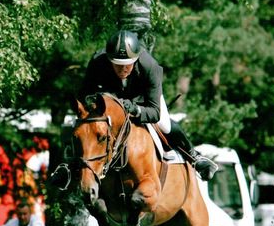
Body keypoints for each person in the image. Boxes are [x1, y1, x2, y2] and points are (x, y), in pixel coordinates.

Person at [79, 29, 217, 180]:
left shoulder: (150, 67)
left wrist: (136, 109)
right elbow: (84, 93)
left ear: (136, 59)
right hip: (112, 99)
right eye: (117, 64)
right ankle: (67, 167)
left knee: (165, 124)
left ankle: (195, 157)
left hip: (143, 99)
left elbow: (154, 112)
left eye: (127, 64)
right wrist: (97, 101)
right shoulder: (98, 61)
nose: (122, 69)